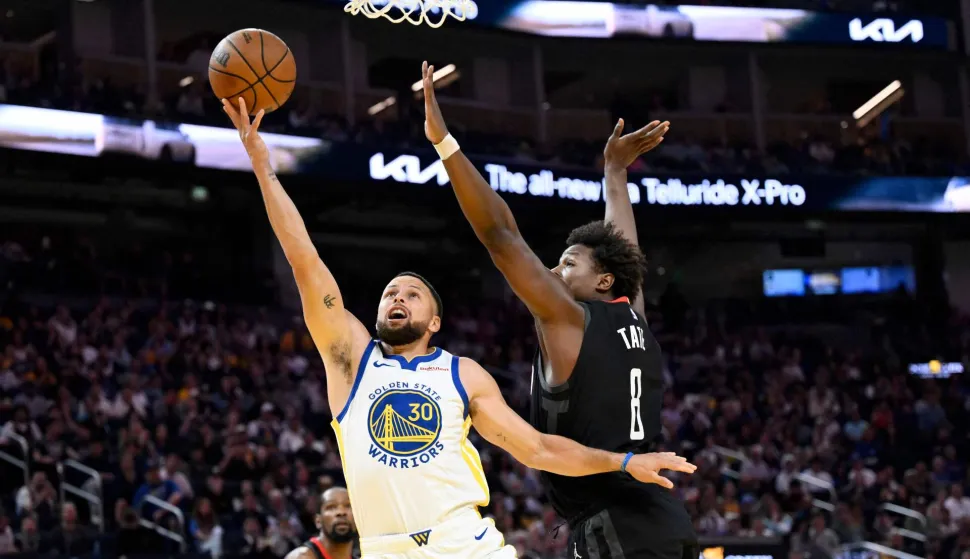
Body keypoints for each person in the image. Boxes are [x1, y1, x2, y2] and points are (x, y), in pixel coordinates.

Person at [221, 97, 696, 559]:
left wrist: (446, 143)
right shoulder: (350, 358)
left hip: (470, 544)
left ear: (436, 322)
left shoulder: (465, 371)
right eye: (390, 292)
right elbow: (304, 259)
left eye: (413, 294)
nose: (398, 297)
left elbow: (536, 447)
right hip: (388, 549)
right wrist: (264, 168)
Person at [421, 61, 696, 559]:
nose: (552, 270)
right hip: (665, 520)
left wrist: (444, 145)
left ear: (603, 281)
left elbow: (500, 236)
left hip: (616, 527)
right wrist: (615, 173)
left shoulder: (571, 320)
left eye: (568, 263)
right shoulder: (633, 315)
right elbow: (624, 245)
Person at [284, 487, 357, 559]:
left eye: (348, 506)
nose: (341, 512)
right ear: (318, 521)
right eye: (331, 507)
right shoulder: (302, 557)